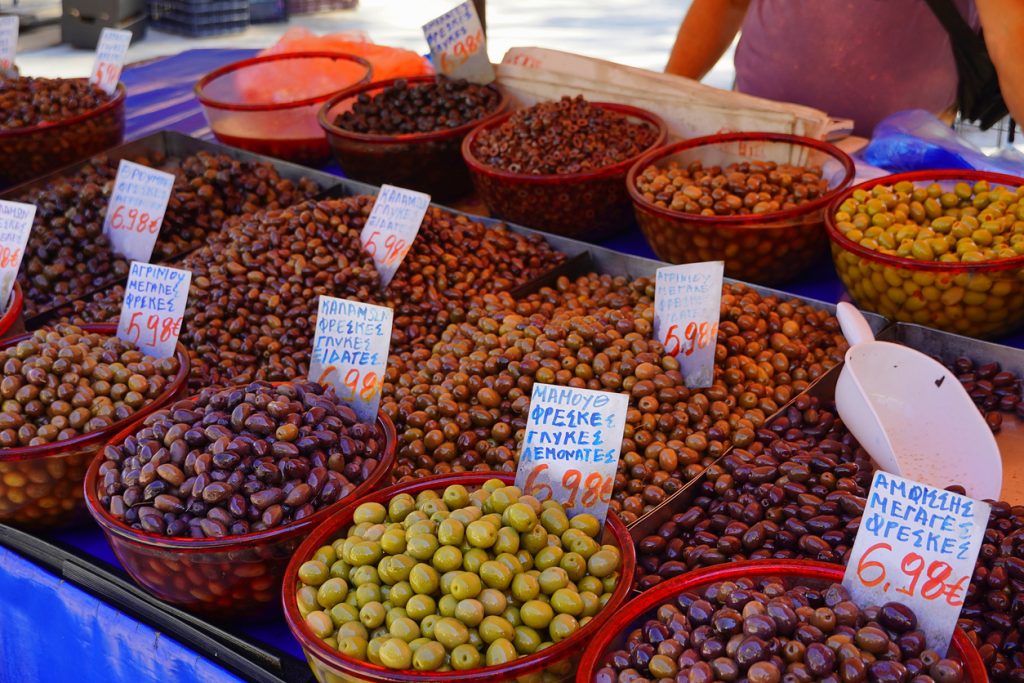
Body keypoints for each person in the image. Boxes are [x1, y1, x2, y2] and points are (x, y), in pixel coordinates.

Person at [665, 0, 1024, 136]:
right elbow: (726, 4)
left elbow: (1011, 38)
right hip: (759, 139)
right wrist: (663, 103)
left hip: (899, 164)